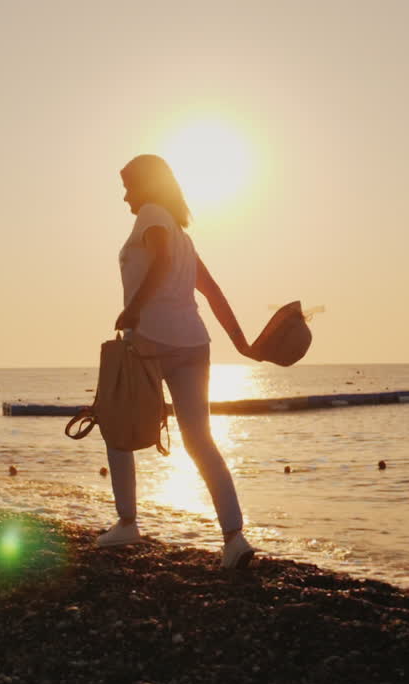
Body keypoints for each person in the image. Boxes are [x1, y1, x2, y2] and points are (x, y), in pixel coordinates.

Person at [97, 153, 260, 569]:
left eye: (129, 186)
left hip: (149, 340)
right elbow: (212, 290)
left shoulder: (152, 215)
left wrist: (133, 309)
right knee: (199, 441)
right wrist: (242, 343)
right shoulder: (184, 236)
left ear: (147, 186)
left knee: (117, 422)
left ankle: (128, 522)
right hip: (194, 343)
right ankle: (234, 538)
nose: (125, 197)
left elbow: (162, 260)